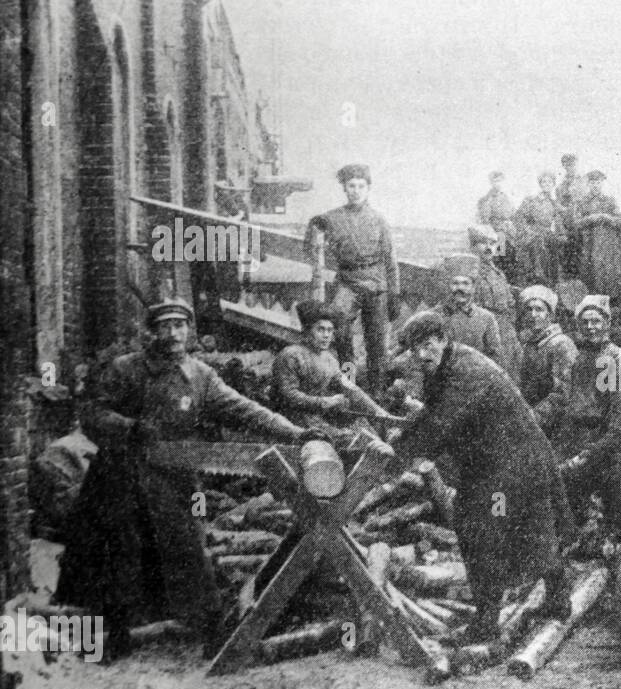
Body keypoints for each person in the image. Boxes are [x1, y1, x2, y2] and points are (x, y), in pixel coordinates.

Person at [55, 299, 312, 661]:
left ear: (189, 330)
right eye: (166, 326)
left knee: (189, 551)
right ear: (152, 331)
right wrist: (129, 427)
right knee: (118, 555)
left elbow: (244, 408)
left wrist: (296, 433)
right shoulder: (125, 369)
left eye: (180, 325)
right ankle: (112, 639)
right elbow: (92, 413)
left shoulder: (200, 375)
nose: (174, 333)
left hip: (172, 479)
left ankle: (210, 633)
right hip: (120, 476)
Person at [390, 310, 572, 657]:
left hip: (510, 462)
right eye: (414, 350)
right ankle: (559, 601)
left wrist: (394, 455)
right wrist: (406, 431)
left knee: (477, 529)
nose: (421, 355)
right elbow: (433, 414)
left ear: (443, 340)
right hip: (510, 458)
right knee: (534, 527)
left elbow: (441, 424)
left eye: (427, 346)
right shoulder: (446, 365)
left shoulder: (466, 370)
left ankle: (487, 623)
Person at [304, 163, 402, 393]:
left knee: (376, 343)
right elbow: (312, 238)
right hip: (347, 282)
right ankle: (349, 385)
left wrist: (394, 294)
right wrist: (315, 226)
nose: (356, 190)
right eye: (351, 186)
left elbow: (391, 259)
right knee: (342, 338)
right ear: (345, 189)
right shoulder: (333, 217)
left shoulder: (379, 220)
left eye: (361, 186)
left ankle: (377, 391)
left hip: (376, 284)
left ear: (368, 189)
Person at [553, 294, 621, 534]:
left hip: (604, 440)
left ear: (607, 323)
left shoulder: (616, 358)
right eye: (585, 322)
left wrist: (592, 451)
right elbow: (569, 403)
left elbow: (618, 416)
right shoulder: (578, 356)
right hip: (575, 437)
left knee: (613, 516)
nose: (590, 327)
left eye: (596, 321)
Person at [271, 300, 390, 440]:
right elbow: (288, 396)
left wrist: (377, 411)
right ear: (308, 331)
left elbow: (350, 388)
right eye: (320, 329)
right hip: (290, 422)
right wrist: (325, 402)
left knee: (366, 436)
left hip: (316, 420)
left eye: (330, 330)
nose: (326, 335)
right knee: (347, 441)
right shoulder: (291, 355)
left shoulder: (330, 360)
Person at [518, 284, 579, 436]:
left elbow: (564, 393)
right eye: (529, 309)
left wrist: (533, 418)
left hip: (557, 425)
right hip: (533, 420)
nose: (533, 315)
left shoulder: (560, 344)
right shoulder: (529, 345)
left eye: (539, 309)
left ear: (550, 315)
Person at [464, 231, 524, 382]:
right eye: (483, 243)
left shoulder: (498, 273)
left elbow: (509, 302)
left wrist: (510, 323)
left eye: (492, 243)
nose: (489, 247)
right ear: (472, 247)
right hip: (485, 333)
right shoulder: (469, 274)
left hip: (506, 331)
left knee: (514, 374)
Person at [436, 268, 504, 368]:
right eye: (455, 283)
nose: (460, 288)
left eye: (465, 284)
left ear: (473, 287)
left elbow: (495, 357)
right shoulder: (435, 315)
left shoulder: (486, 318)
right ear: (449, 286)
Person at [574, 171, 621, 301]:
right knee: (590, 272)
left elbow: (620, 221)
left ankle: (611, 300)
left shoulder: (609, 200)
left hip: (607, 245)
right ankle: (591, 300)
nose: (595, 185)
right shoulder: (582, 201)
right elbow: (576, 223)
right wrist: (590, 218)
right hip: (589, 244)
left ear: (602, 183)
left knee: (608, 272)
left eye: (598, 182)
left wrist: (606, 217)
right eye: (592, 182)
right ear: (588, 184)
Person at [513, 172, 566, 287]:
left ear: (553, 185)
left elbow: (558, 220)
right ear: (540, 184)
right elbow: (519, 218)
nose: (546, 184)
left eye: (549, 182)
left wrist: (561, 235)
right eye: (544, 182)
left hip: (547, 234)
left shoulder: (553, 203)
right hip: (532, 235)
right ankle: (538, 280)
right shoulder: (531, 200)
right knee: (538, 250)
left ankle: (553, 283)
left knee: (556, 249)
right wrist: (528, 231)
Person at [556, 154, 587, 277]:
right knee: (568, 258)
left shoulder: (584, 182)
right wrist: (561, 230)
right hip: (568, 226)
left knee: (584, 258)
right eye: (567, 165)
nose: (571, 167)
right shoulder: (560, 187)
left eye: (573, 164)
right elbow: (558, 209)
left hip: (583, 224)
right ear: (564, 166)